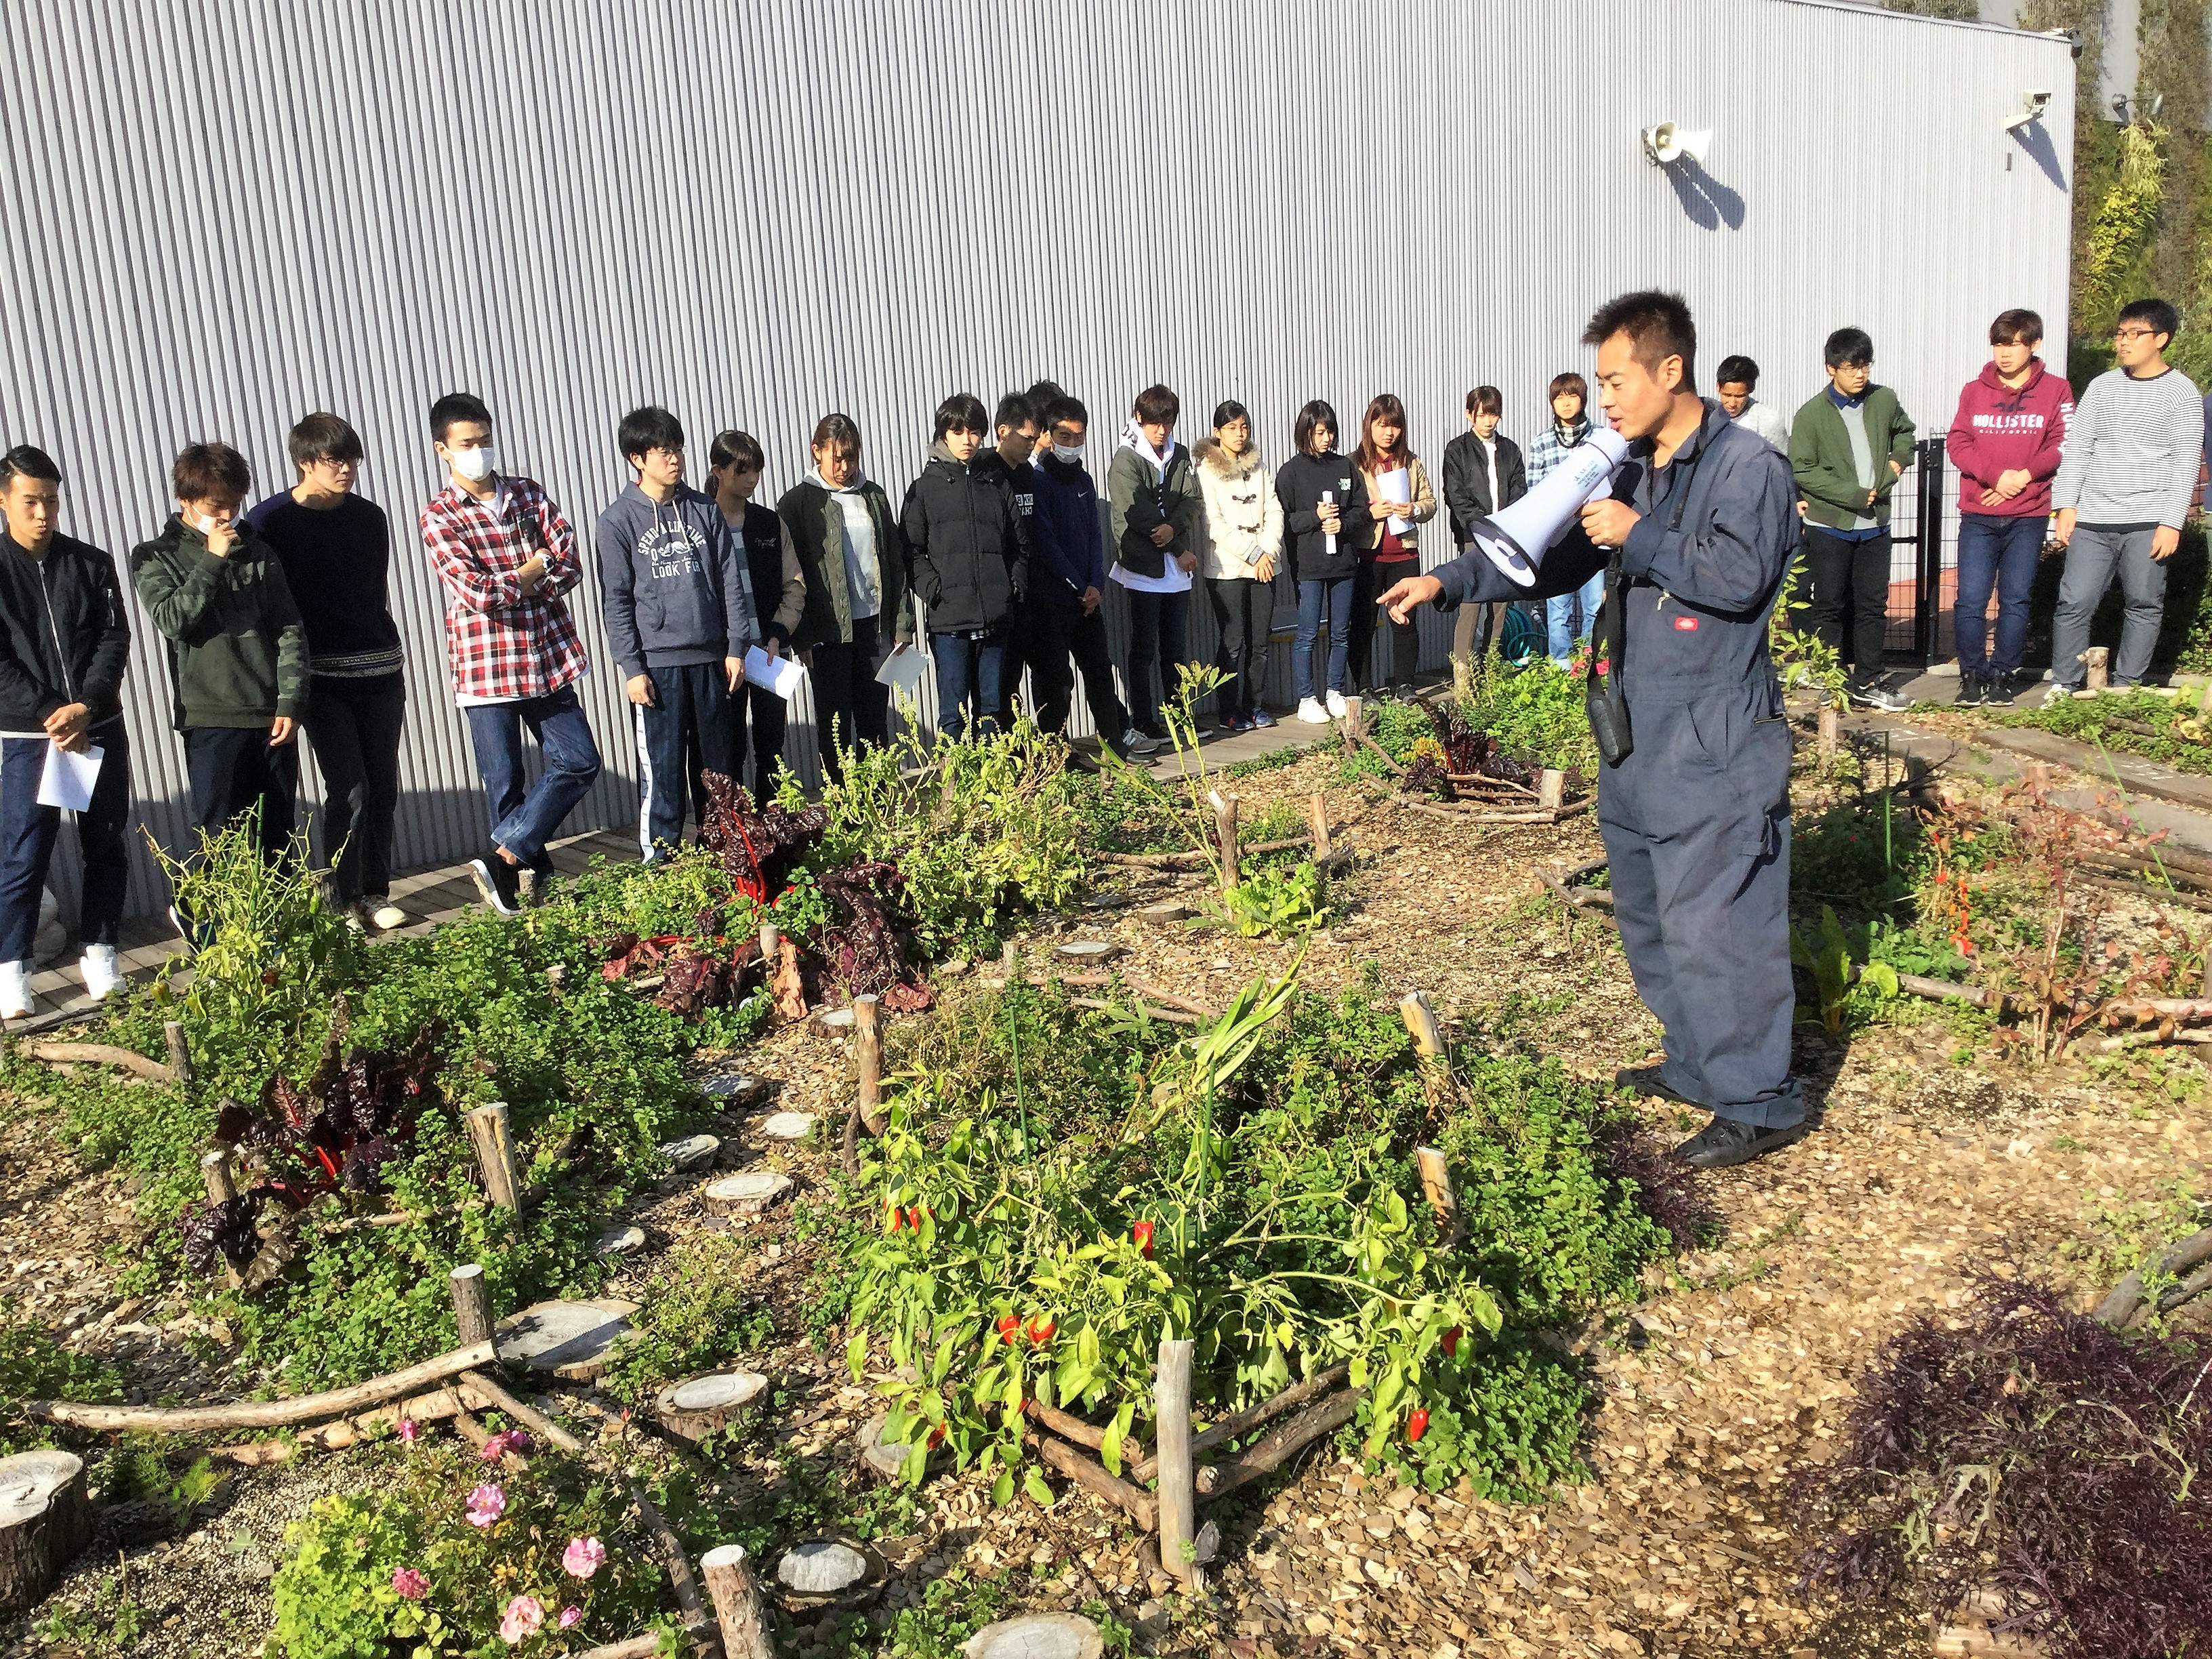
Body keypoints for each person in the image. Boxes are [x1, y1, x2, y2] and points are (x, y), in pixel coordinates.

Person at [1379, 290, 1805, 1170]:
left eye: (1617, 380)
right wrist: (1449, 583)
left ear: (1671, 370)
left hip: (1715, 735)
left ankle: (1760, 1099)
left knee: (1719, 920)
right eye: (1601, 383)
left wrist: (1641, 536)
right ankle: (1697, 1064)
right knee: (1653, 914)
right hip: (1638, 732)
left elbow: (1738, 577)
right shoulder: (1633, 467)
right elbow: (1554, 555)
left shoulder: (1746, 468)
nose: (1605, 399)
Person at [418, 393, 602, 916]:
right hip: (486, 667)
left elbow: (570, 564)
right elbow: (476, 592)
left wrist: (531, 574)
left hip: (546, 657)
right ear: (443, 450)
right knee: (505, 783)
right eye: (467, 444)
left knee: (580, 760)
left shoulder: (527, 494)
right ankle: (530, 881)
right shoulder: (439, 515)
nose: (480, 452)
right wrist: (533, 569)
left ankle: (501, 857)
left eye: (485, 440)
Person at [245, 412, 409, 930]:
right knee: (350, 788)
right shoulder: (269, 522)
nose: (347, 469)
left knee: (383, 784)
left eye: (352, 459)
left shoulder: (370, 516)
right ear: (304, 462)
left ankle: (376, 894)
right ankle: (342, 899)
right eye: (335, 460)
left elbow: (373, 590)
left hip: (381, 667)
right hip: (320, 676)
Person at [131, 442, 308, 904]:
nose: (227, 514)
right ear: (186, 499)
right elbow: (173, 620)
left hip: (270, 717)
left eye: (234, 503)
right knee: (214, 840)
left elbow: (289, 628)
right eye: (215, 505)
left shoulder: (260, 553)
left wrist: (291, 701)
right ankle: (210, 947)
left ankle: (280, 943)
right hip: (210, 717)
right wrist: (212, 559)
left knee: (278, 842)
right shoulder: (156, 555)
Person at [0, 446, 131, 1017]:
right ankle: (13, 972)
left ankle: (101, 952)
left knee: (105, 843)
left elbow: (112, 639)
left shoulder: (92, 563)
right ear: (5, 500)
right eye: (30, 501)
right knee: (24, 854)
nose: (43, 513)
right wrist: (53, 710)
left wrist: (86, 705)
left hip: (96, 725)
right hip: (28, 738)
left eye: (51, 500)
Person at [596, 406, 756, 859]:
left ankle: (721, 852)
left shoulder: (704, 509)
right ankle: (661, 862)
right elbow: (617, 600)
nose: (675, 459)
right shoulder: (617, 521)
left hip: (711, 660)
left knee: (716, 768)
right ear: (637, 458)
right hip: (658, 667)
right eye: (664, 451)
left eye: (678, 449)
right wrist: (631, 667)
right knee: (663, 770)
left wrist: (735, 646)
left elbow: (730, 581)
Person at [2050, 298, 2205, 694]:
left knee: (2144, 605)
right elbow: (2078, 448)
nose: (2124, 341)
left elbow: (2186, 462)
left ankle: (2127, 686)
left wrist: (2171, 522)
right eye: (2121, 333)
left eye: (2135, 334)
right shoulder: (2101, 388)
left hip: (2148, 521)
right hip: (2093, 520)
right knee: (2075, 603)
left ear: (2162, 339)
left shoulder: (2182, 392)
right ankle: (2065, 685)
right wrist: (2065, 506)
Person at [1944, 310, 2072, 706]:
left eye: (2013, 343)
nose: (2004, 353)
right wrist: (1995, 476)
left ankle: (2003, 674)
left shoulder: (2057, 390)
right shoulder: (1973, 391)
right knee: (1970, 598)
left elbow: (2063, 443)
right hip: (1979, 513)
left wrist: (2024, 475)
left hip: (2029, 515)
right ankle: (1971, 675)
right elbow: (1958, 442)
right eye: (1999, 343)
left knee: (2016, 598)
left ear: (2033, 345)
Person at [1789, 328, 1917, 711]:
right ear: (1831, 369)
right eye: (1850, 367)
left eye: (1864, 365)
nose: (1860, 374)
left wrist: (1895, 464)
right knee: (1828, 605)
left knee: (1872, 606)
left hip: (1875, 526)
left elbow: (1905, 434)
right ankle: (1834, 681)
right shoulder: (1811, 414)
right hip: (1829, 526)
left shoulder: (1884, 399)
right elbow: (1803, 470)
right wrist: (1853, 495)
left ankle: (1869, 680)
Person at [779, 413, 913, 777]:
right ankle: (841, 806)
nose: (845, 467)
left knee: (874, 720)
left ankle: (878, 801)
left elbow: (895, 563)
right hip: (827, 634)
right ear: (816, 452)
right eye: (837, 458)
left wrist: (902, 627)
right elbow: (792, 575)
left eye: (851, 458)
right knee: (834, 725)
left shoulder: (873, 496)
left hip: (873, 629)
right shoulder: (797, 503)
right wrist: (801, 637)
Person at [902, 392, 1029, 741]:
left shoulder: (996, 484)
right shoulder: (924, 489)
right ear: (944, 433)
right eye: (959, 432)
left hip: (995, 617)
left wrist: (1011, 586)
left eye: (975, 432)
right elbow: (910, 551)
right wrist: (935, 590)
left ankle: (991, 788)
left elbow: (1019, 545)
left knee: (991, 710)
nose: (968, 441)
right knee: (953, 714)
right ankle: (955, 791)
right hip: (950, 622)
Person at [1022, 394, 1134, 755]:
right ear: (1047, 435)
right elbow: (1046, 543)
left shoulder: (1084, 480)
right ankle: (1056, 755)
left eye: (1078, 436)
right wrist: (1077, 586)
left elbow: (1093, 536)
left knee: (1100, 674)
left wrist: (1095, 585)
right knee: (1056, 684)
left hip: (1089, 600)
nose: (1071, 444)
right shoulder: (1037, 481)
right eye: (1064, 436)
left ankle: (1115, 747)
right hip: (1054, 600)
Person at [705, 430, 806, 798]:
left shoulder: (769, 523)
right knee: (726, 749)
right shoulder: (699, 521)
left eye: (757, 471)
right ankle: (735, 829)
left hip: (769, 653)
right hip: (720, 657)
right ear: (718, 470)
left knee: (771, 747)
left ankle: (773, 821)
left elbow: (794, 585)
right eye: (742, 471)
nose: (751, 479)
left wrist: (779, 632)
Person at [1106, 385, 1200, 744]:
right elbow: (1137, 510)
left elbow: (1191, 499)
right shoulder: (1126, 458)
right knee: (1143, 647)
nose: (1162, 430)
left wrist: (1174, 530)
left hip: (1177, 569)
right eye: (1155, 422)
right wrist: (1175, 545)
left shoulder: (1180, 454)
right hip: (1143, 567)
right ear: (1139, 419)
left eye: (1169, 421)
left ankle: (1179, 718)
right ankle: (1143, 719)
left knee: (1175, 648)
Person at [1275, 400, 1373, 723]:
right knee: (1306, 632)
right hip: (1308, 566)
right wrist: (1315, 518)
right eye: (1320, 432)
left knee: (1340, 631)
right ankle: (1306, 697)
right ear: (1305, 432)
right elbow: (1284, 521)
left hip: (1344, 563)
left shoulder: (1345, 468)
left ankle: (1335, 690)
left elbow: (1362, 509)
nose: (1327, 438)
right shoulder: (1290, 472)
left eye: (1330, 431)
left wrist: (1343, 524)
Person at [1194, 400, 1284, 733]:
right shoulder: (1206, 470)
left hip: (1264, 565)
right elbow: (1213, 524)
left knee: (1260, 641)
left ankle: (1255, 706)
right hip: (1228, 568)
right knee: (1233, 641)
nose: (1239, 434)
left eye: (1244, 427)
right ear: (1217, 432)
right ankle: (1229, 711)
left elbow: (1274, 511)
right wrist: (1252, 552)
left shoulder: (1258, 466)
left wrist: (1267, 553)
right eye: (1232, 428)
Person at [1350, 392, 1437, 696]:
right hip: (1368, 555)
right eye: (1383, 424)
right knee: (1363, 623)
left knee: (1405, 620)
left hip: (1404, 553)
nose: (1389, 432)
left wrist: (1413, 509)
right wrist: (1369, 513)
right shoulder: (1355, 463)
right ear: (1369, 425)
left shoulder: (1410, 461)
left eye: (1395, 426)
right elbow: (1346, 511)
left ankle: (1405, 685)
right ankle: (1364, 687)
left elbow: (1430, 502)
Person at [1439, 386, 1527, 661]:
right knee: (1471, 604)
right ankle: (1464, 675)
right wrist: (1480, 526)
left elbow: (1519, 491)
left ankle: (1490, 672)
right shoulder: (1457, 450)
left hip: (1506, 538)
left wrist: (1508, 527)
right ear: (1469, 415)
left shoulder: (1510, 450)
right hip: (1473, 538)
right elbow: (1456, 495)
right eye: (1482, 415)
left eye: (1494, 415)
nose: (1488, 422)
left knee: (1500, 606)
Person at [1528, 373, 1610, 665]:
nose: (1565, 403)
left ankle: (1591, 665)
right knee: (1559, 608)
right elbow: (1535, 492)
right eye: (1559, 397)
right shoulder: (1542, 444)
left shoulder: (1602, 439)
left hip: (1595, 535)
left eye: (1571, 395)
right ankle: (1561, 668)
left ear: (1583, 399)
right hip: (1558, 539)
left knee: (1594, 605)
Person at [975, 392, 1040, 730]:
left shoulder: (1029, 474)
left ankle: (1042, 746)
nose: (1032, 445)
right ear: (1003, 431)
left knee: (1043, 673)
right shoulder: (984, 470)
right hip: (999, 593)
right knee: (1001, 682)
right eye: (1026, 438)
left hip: (1030, 590)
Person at [1713, 356, 1790, 453]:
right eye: (1727, 395)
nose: (1732, 403)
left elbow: (1780, 463)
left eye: (1740, 396)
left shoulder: (1769, 421)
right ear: (1718, 387)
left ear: (1751, 389)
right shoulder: (1707, 418)